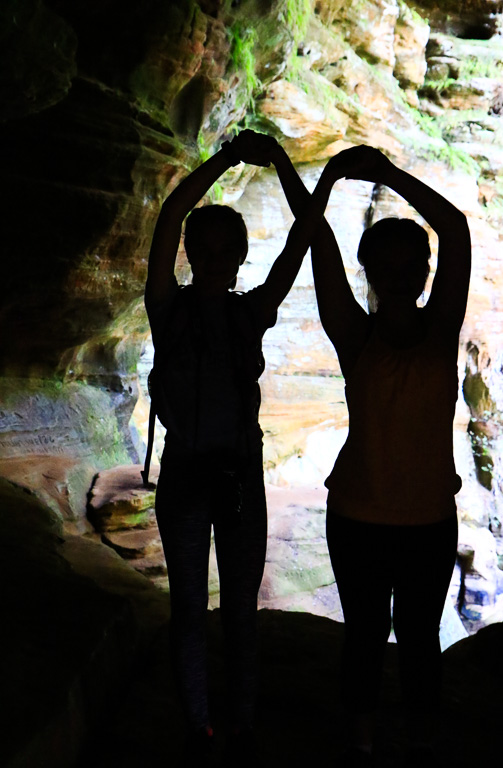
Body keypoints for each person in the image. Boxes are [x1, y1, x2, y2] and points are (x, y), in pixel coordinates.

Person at [144, 129, 329, 766]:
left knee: (240, 613)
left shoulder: (252, 311)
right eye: (207, 248)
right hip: (192, 473)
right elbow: (170, 216)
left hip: (237, 477)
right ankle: (202, 730)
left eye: (229, 250)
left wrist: (283, 162)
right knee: (191, 610)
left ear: (242, 256)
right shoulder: (165, 307)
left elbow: (302, 241)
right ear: (192, 253)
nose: (217, 259)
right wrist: (225, 158)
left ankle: (239, 726)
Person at [307, 146, 471, 767]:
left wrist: (385, 174)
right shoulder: (353, 335)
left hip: (429, 518)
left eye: (413, 267)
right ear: (370, 272)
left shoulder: (442, 328)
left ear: (427, 273)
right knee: (366, 638)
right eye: (388, 267)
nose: (402, 278)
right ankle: (363, 742)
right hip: (358, 516)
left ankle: (421, 741)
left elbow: (453, 227)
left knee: (422, 639)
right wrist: (323, 179)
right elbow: (318, 242)